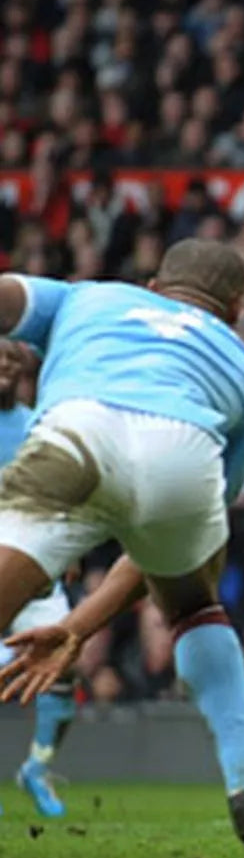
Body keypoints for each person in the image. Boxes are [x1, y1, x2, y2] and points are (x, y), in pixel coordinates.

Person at [0, 239, 244, 858]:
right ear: (235, 308)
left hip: (79, 431)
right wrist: (80, 627)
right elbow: (158, 549)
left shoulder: (90, 297)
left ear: (150, 284)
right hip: (184, 448)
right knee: (196, 605)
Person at [0, 341, 75, 817]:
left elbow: (60, 492)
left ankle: (37, 767)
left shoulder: (37, 425)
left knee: (64, 661)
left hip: (34, 562)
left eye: (13, 361)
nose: (6, 368)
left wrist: (68, 543)